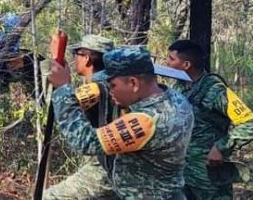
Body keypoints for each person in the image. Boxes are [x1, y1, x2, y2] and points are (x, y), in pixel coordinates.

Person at [49, 46, 194, 199]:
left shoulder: (148, 121)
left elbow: (85, 141)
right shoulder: (175, 98)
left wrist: (63, 89)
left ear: (133, 83)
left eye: (113, 86)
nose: (111, 92)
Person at [166, 39, 253, 199]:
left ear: (186, 65)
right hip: (182, 174)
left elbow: (249, 123)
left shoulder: (215, 90)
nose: (167, 63)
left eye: (171, 59)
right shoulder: (178, 88)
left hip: (208, 176)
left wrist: (221, 147)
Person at [43, 35, 116, 200]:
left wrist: (59, 78)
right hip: (109, 166)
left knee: (48, 197)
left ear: (87, 58)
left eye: (76, 53)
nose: (74, 58)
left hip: (103, 169)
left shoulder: (94, 89)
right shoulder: (115, 84)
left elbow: (54, 106)